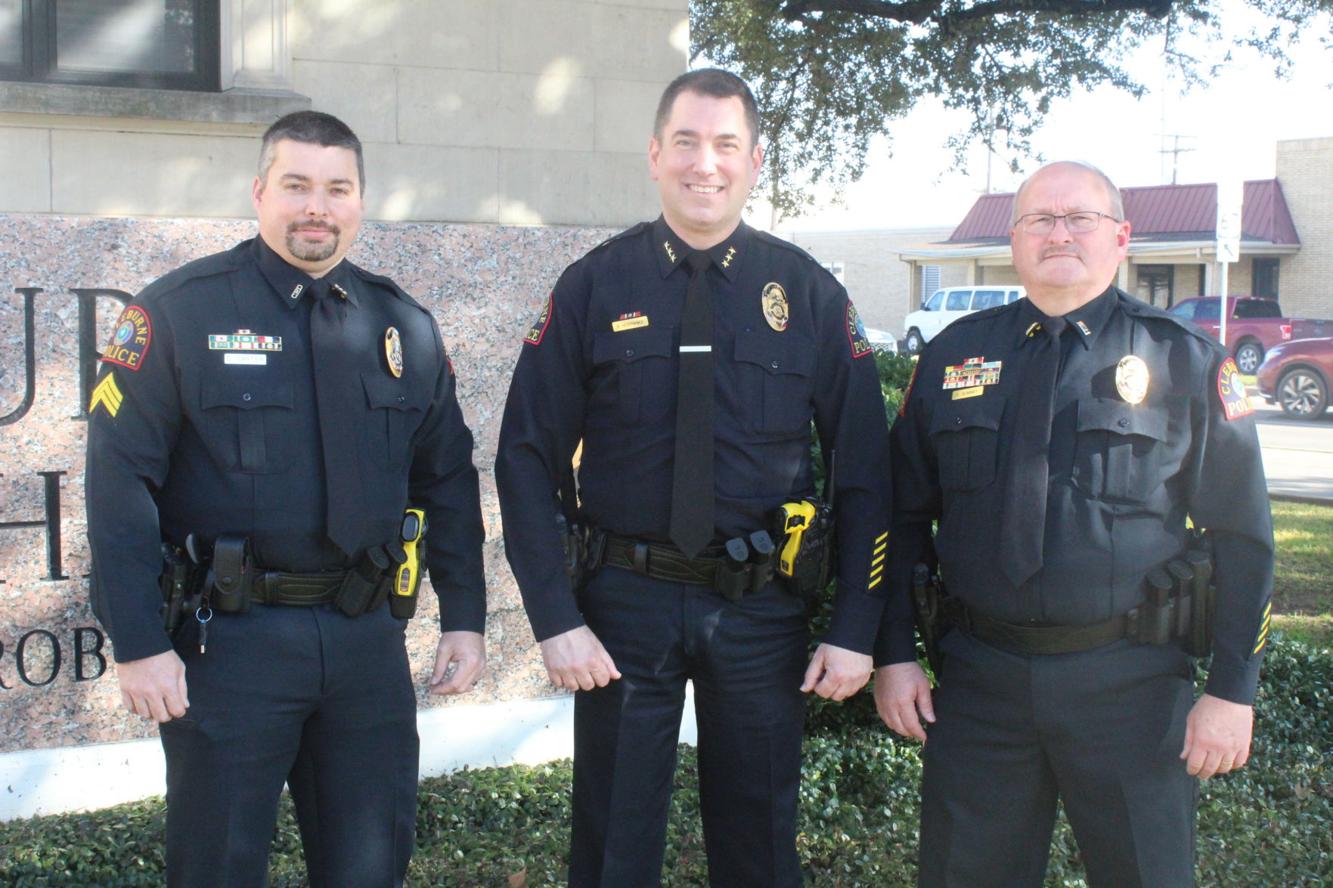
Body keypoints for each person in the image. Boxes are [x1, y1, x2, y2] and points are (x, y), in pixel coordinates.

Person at [495, 69, 891, 887]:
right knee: (611, 844)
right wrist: (553, 617)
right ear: (653, 154)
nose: (702, 164)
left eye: (724, 145)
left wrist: (853, 624)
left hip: (758, 609)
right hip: (620, 610)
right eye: (685, 142)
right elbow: (526, 456)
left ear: (753, 162)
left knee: (759, 843)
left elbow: (864, 472)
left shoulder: (809, 293)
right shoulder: (593, 285)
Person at [85, 110, 486, 887]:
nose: (316, 207)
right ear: (260, 192)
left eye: (337, 189)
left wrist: (464, 616)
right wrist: (137, 642)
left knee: (370, 867)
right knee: (217, 867)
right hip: (231, 645)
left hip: (366, 638)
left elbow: (447, 479)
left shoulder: (403, 325)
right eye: (297, 185)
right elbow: (118, 480)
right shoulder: (178, 313)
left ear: (360, 201)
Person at [873, 160, 1274, 887]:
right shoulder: (952, 357)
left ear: (1119, 237)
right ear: (1015, 239)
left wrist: (1231, 689)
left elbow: (1242, 537)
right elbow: (900, 517)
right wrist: (893, 652)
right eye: (1039, 219)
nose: (1059, 233)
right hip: (978, 684)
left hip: (1132, 686)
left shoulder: (1184, 360)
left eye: (1079, 218)